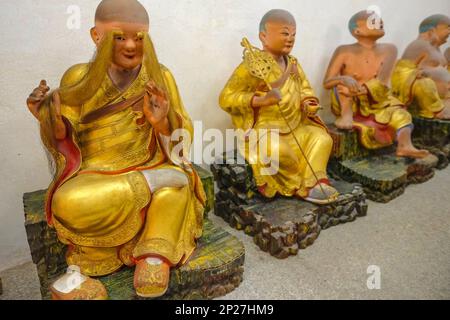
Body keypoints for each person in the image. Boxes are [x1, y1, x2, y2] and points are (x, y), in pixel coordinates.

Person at [26, 0, 205, 299]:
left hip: (149, 162)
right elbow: (64, 137)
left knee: (178, 185)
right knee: (66, 202)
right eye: (119, 37)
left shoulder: (161, 77)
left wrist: (161, 123)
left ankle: (153, 255)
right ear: (96, 36)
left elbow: (181, 143)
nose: (131, 46)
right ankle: (149, 185)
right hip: (96, 174)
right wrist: (45, 116)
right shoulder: (78, 78)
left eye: (140, 37)